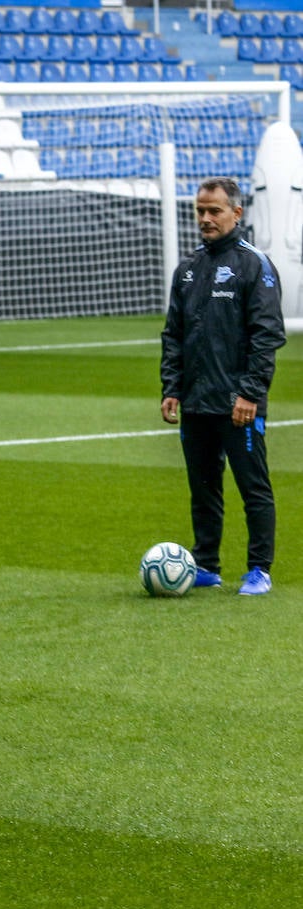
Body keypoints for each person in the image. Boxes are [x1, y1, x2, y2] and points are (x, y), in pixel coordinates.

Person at [161, 176, 285, 596]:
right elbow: (173, 335)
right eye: (200, 210)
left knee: (253, 487)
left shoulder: (255, 265)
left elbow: (267, 334)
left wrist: (250, 392)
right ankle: (207, 564)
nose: (206, 218)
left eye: (214, 210)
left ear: (237, 212)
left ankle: (259, 569)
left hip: (239, 403)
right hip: (196, 402)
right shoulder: (188, 269)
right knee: (204, 487)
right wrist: (171, 387)